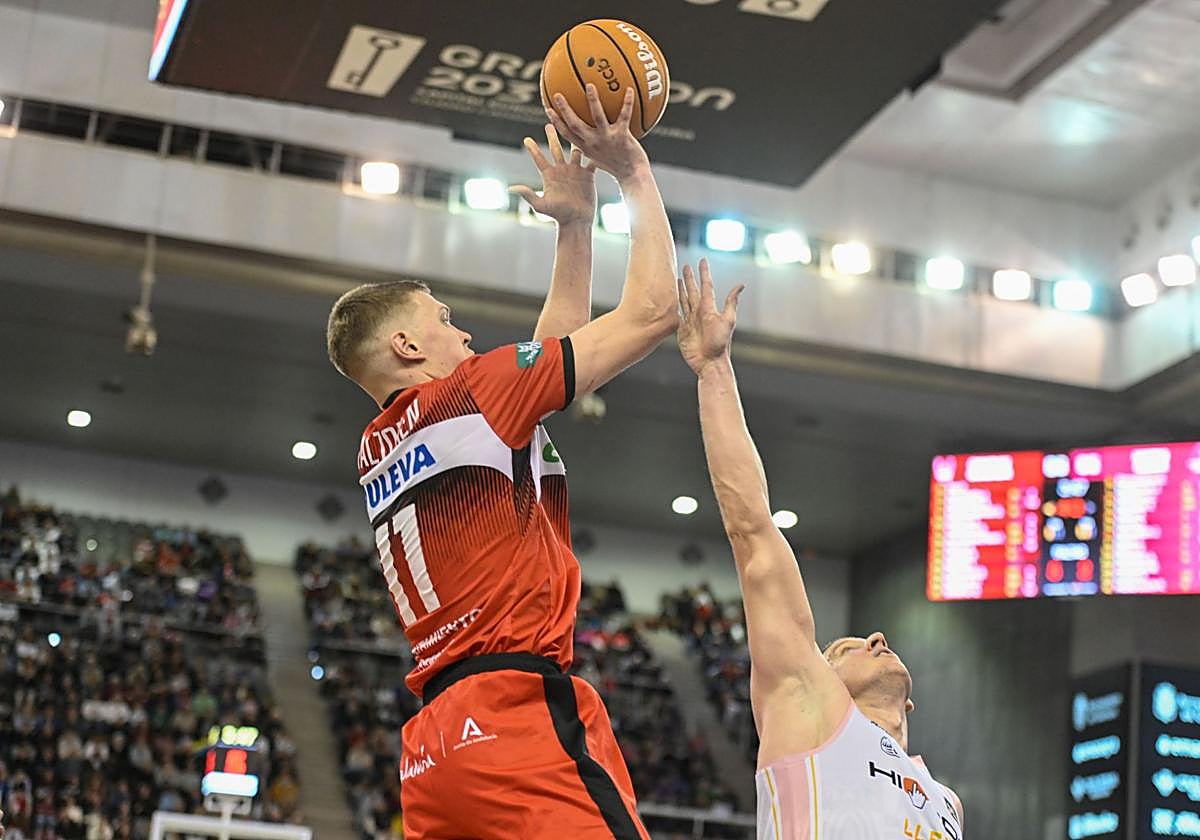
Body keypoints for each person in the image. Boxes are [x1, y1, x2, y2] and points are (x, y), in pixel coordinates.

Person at [325, 85, 677, 840]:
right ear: (406, 346)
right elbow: (654, 312)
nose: (464, 332)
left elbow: (547, 360)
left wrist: (574, 228)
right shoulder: (476, 394)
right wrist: (634, 173)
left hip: (434, 748)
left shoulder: (381, 443)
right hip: (513, 718)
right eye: (444, 320)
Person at [675, 260, 964, 839]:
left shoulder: (946, 803)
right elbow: (754, 532)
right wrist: (713, 370)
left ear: (909, 706)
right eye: (847, 648)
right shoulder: (810, 706)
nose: (877, 637)